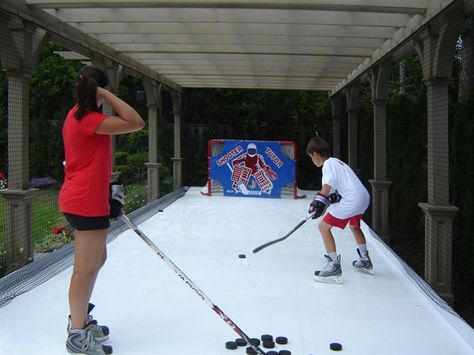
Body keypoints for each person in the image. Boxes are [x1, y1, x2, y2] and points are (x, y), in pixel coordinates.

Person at [59, 65, 145, 354]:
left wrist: (109, 191)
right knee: (85, 270)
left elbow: (92, 158)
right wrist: (106, 94)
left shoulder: (80, 116)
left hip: (87, 197)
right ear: (99, 90)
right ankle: (76, 333)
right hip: (84, 201)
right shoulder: (89, 119)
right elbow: (136, 121)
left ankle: (81, 318)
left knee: (97, 260)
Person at [306, 136, 373, 284]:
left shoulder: (328, 165)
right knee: (355, 225)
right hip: (363, 197)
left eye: (311, 157)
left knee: (323, 227)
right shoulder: (338, 162)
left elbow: (326, 187)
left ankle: (333, 265)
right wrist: (328, 199)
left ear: (315, 154)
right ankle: (365, 259)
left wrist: (316, 203)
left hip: (353, 199)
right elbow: (337, 192)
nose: (313, 160)